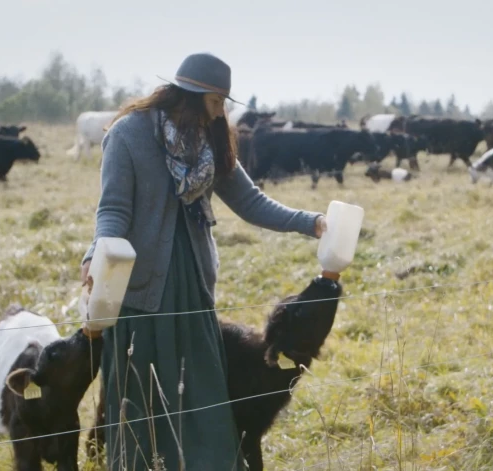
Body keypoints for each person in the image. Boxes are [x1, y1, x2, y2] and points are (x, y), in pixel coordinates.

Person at [80, 52, 326, 471]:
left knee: (200, 386)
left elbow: (250, 202)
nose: (221, 113)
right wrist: (96, 253)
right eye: (215, 103)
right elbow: (113, 210)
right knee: (140, 388)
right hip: (139, 284)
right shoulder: (129, 134)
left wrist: (312, 222)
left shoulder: (212, 138)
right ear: (190, 95)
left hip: (192, 283)